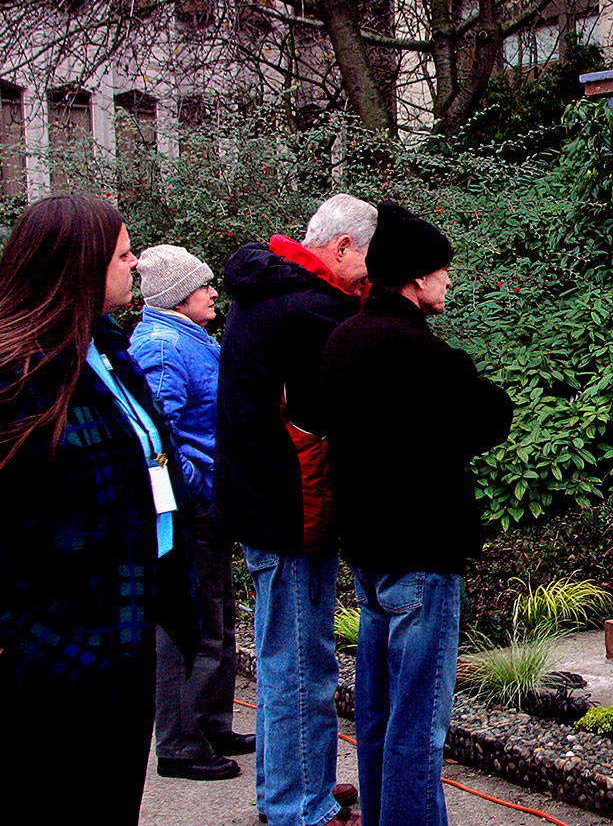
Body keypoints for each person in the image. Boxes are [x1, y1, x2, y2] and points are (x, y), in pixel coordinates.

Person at [0, 195, 196, 822]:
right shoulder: (19, 377)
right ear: (80, 267)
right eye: (123, 254)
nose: (135, 264)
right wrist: (40, 644)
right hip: (56, 654)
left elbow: (149, 463)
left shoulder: (111, 351)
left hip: (127, 633)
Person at [322, 201, 513, 826]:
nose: (450, 280)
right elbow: (493, 415)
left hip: (369, 552)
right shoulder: (421, 354)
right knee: (418, 724)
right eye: (442, 270)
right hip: (422, 555)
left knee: (377, 717)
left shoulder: (344, 339)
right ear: (413, 279)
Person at [215, 194, 375, 826]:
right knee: (299, 664)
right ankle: (297, 806)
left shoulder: (269, 291)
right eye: (370, 261)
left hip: (267, 502)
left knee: (291, 653)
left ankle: (291, 783)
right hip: (290, 508)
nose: (374, 277)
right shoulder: (309, 311)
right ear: (341, 249)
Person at [130, 243, 256, 781]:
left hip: (212, 500)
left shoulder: (188, 337)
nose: (212, 292)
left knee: (219, 614)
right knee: (194, 621)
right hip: (194, 506)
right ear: (178, 296)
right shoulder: (160, 346)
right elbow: (159, 437)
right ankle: (181, 741)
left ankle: (210, 721)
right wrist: (200, 490)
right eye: (203, 285)